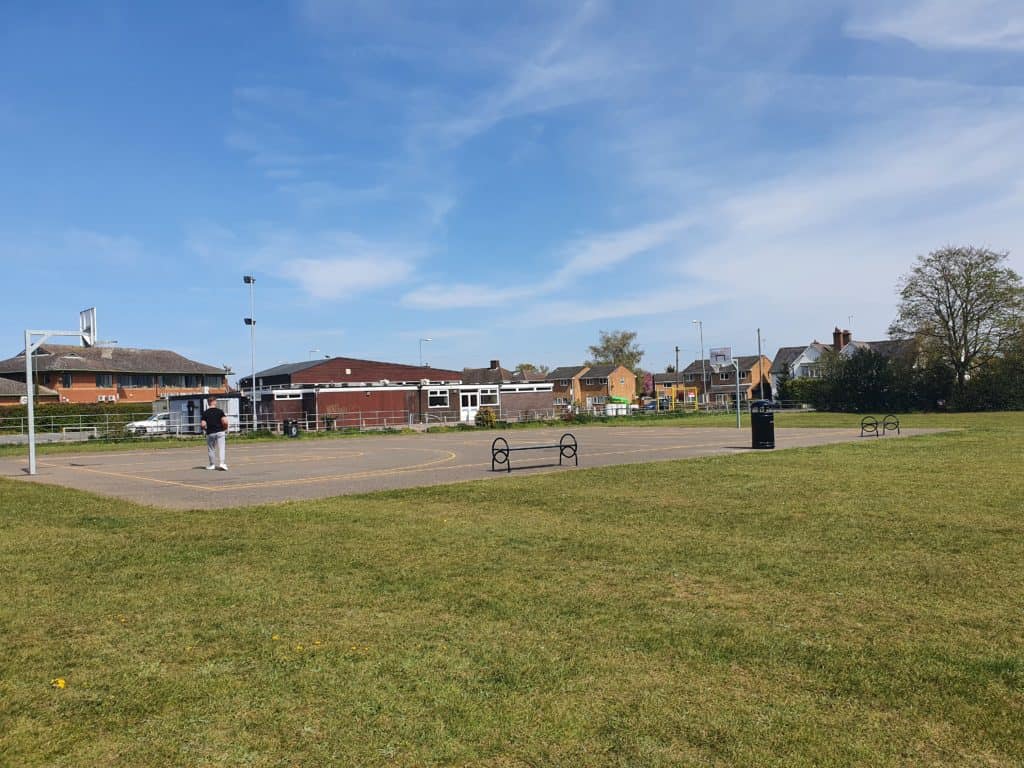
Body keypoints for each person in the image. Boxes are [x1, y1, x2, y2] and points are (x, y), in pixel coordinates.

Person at [200, 396, 229, 471]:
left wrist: (205, 430)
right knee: (221, 448)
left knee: (211, 449)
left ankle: (212, 464)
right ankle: (222, 463)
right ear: (215, 402)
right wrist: (225, 428)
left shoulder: (205, 413)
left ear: (208, 402)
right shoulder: (220, 411)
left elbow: (203, 424)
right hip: (220, 431)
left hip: (210, 432)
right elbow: (225, 421)